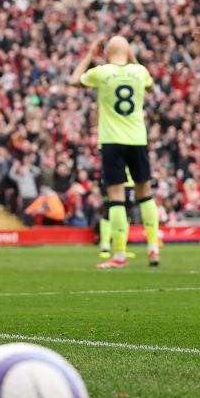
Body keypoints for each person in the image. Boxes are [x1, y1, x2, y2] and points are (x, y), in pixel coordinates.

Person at [71, 35, 160, 269]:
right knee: (145, 193)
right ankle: (153, 247)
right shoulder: (140, 72)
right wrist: (132, 58)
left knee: (117, 197)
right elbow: (150, 85)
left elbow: (74, 80)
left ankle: (119, 254)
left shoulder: (101, 72)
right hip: (137, 139)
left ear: (107, 52)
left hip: (112, 141)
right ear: (128, 51)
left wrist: (90, 53)